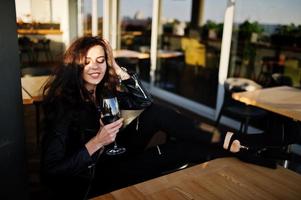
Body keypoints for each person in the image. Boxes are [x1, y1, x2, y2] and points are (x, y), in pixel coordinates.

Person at [41, 36, 221, 199]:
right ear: (75, 66)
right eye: (87, 62)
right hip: (95, 177)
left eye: (101, 60)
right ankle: (228, 146)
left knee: (157, 114)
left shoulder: (103, 93)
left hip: (115, 154)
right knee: (176, 153)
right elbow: (51, 171)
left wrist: (117, 69)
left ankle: (228, 144)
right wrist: (97, 142)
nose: (95, 67)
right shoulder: (64, 106)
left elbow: (144, 101)